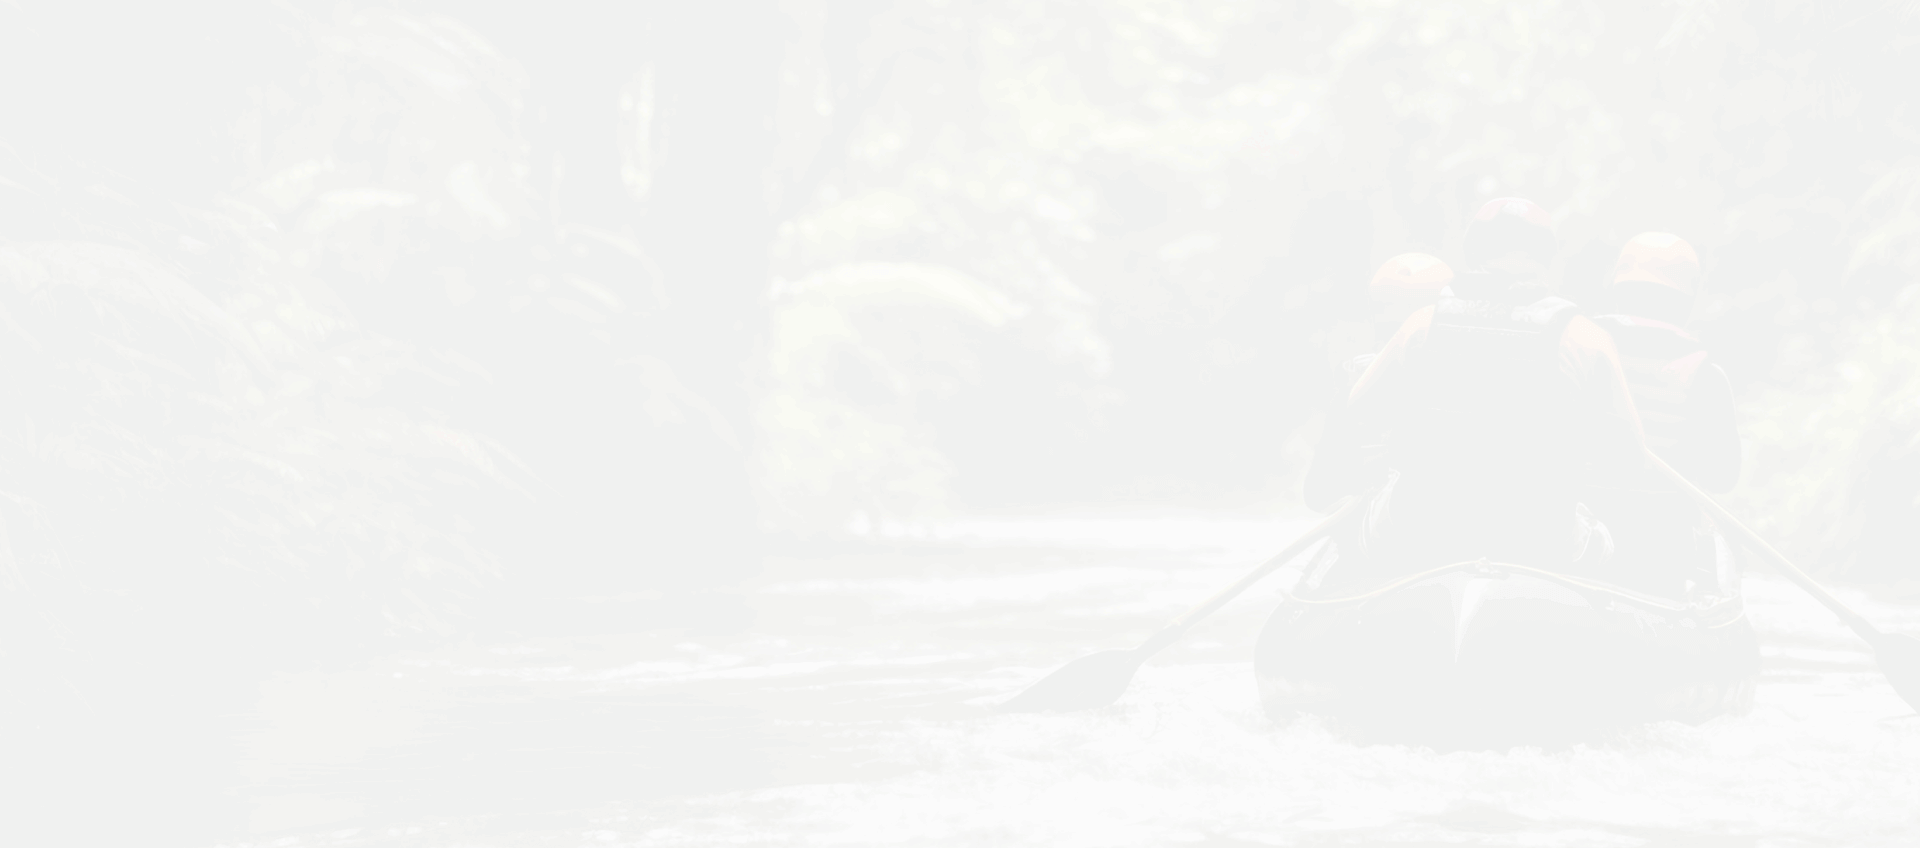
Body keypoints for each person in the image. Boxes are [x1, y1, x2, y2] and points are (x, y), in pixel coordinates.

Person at [1306, 197, 1648, 570]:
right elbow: (1628, 460)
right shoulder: (1586, 336)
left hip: (1420, 525)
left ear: (1473, 253)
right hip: (1540, 535)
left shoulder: (1423, 323)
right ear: (1546, 259)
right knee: (1606, 546)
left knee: (1361, 524)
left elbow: (1358, 411)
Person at [1582, 232, 1741, 591]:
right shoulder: (1706, 376)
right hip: (1662, 548)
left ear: (1618, 290)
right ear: (1687, 300)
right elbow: (1722, 478)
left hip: (1575, 536)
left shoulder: (1575, 349)